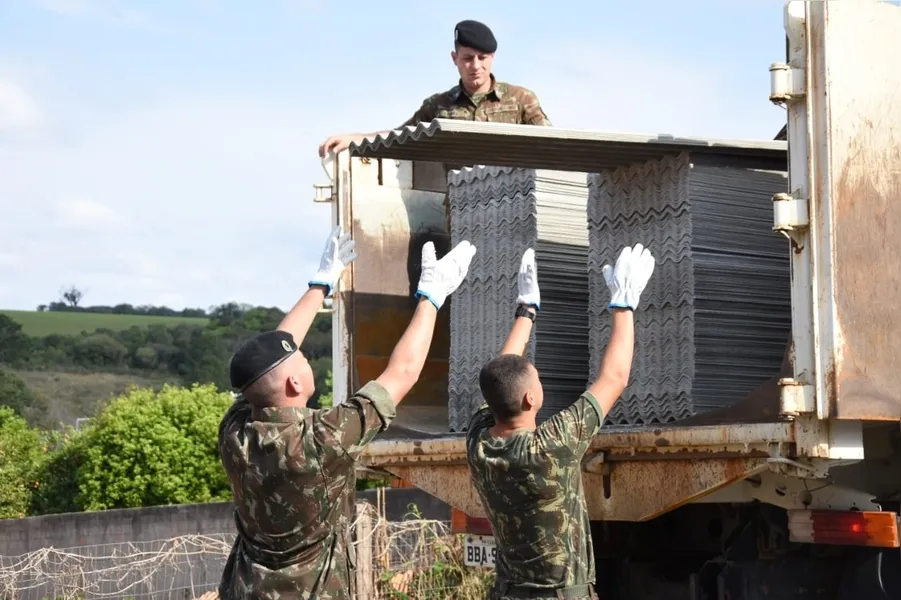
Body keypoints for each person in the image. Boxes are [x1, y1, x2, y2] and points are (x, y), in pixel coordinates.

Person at [216, 226, 477, 599]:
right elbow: (401, 374)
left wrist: (319, 285)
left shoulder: (236, 433)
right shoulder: (320, 441)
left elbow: (267, 363)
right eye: (303, 359)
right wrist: (431, 298)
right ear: (293, 384)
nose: (307, 359)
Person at [465, 244, 657, 600]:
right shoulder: (548, 446)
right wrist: (623, 304)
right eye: (537, 379)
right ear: (530, 399)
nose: (541, 382)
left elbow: (501, 375)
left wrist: (527, 311)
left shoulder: (479, 442)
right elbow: (614, 379)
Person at [317, 19, 551, 159]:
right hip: (460, 209)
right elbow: (400, 137)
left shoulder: (521, 100)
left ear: (493, 57)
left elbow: (552, 146)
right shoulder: (439, 106)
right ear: (454, 58)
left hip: (514, 202)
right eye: (468, 58)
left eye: (483, 57)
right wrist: (355, 139)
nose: (476, 66)